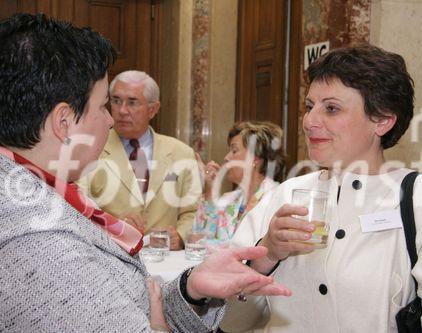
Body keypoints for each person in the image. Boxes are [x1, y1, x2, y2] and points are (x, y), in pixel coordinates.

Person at [0, 13, 290, 332]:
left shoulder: (33, 190)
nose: (112, 119)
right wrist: (158, 325)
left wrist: (189, 289)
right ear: (64, 121)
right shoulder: (44, 243)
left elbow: (123, 302)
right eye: (103, 106)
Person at [221, 45, 422, 332]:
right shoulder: (281, 196)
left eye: (331, 108)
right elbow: (227, 322)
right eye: (308, 107)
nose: (309, 121)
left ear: (382, 120)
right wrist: (266, 255)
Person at [78, 70, 199, 250]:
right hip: (111, 258)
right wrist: (112, 227)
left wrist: (180, 236)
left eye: (132, 102)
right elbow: (77, 207)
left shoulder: (181, 153)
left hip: (166, 262)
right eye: (116, 101)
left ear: (153, 109)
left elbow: (193, 212)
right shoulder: (89, 148)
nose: (122, 110)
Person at [195, 121, 285, 248]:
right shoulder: (231, 199)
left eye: (234, 150)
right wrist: (211, 187)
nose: (226, 157)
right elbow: (200, 238)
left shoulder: (276, 197)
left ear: (255, 158)